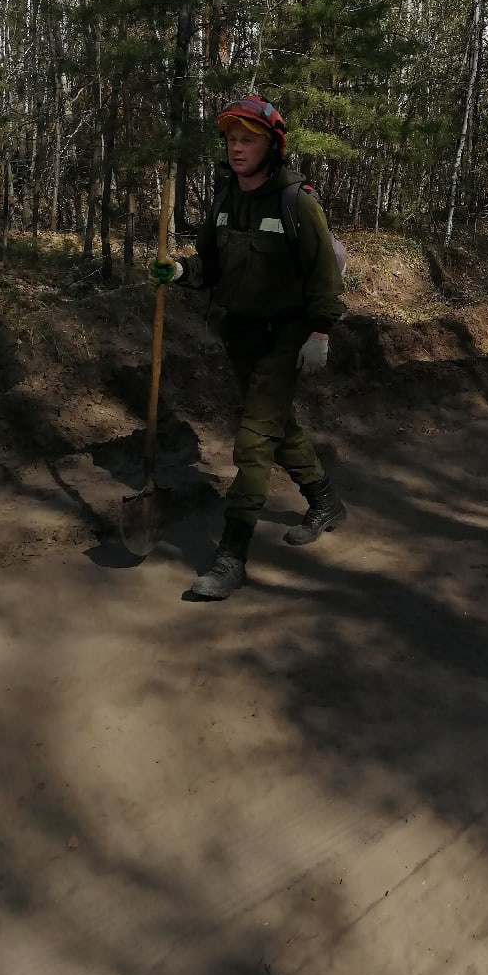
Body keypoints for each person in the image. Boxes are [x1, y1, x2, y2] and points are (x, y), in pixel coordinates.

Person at [152, 94, 347, 600]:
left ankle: (231, 556)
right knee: (278, 428)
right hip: (240, 338)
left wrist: (320, 332)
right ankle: (325, 501)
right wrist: (178, 271)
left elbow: (325, 275)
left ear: (271, 145)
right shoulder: (222, 202)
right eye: (231, 139)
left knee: (253, 441)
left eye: (248, 139)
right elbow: (211, 268)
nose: (237, 148)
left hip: (286, 339)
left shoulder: (296, 202)